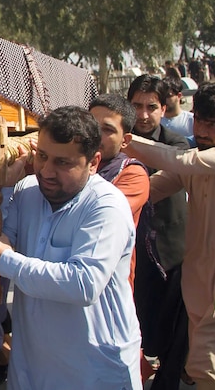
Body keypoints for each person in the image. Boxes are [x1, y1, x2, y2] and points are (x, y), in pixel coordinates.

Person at [0, 106, 141, 389]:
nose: (47, 171)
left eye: (63, 163)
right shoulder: (27, 191)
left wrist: (6, 260)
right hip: (33, 367)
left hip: (95, 370)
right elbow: (0, 241)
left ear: (94, 162)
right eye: (42, 156)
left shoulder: (105, 206)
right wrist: (3, 185)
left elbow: (83, 284)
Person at [123, 82, 215, 390]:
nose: (201, 129)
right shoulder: (195, 160)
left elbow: (179, 161)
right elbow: (150, 189)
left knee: (205, 367)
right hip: (195, 279)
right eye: (198, 119)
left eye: (212, 124)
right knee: (202, 365)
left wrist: (123, 141)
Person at [126, 74, 190, 386]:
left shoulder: (176, 144)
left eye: (150, 106)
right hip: (132, 251)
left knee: (172, 327)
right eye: (136, 105)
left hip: (171, 250)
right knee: (139, 323)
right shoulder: (114, 142)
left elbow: (165, 171)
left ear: (163, 109)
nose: (142, 114)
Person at [89, 93, 149, 291]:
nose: (96, 135)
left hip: (109, 290)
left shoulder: (133, 174)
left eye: (107, 129)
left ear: (125, 140)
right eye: (91, 125)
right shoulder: (66, 165)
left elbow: (96, 217)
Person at [161, 73, 194, 140]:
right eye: (162, 96)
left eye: (168, 96)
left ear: (179, 96)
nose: (164, 100)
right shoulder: (156, 121)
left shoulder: (191, 120)